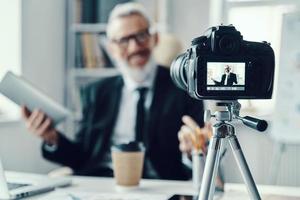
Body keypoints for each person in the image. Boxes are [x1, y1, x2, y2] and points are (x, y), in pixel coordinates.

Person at [21, 2, 205, 180]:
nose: (134, 47)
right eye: (124, 40)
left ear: (155, 38)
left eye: (141, 35)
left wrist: (192, 152)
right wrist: (52, 137)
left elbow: (196, 150)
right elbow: (81, 156)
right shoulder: (95, 92)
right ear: (111, 49)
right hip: (102, 184)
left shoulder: (185, 89)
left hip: (160, 185)